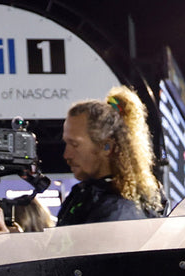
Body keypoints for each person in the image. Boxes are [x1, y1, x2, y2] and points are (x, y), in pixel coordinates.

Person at [56, 85, 165, 226]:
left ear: (106, 147)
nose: (66, 155)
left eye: (75, 144)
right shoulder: (90, 197)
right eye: (66, 143)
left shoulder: (117, 211)